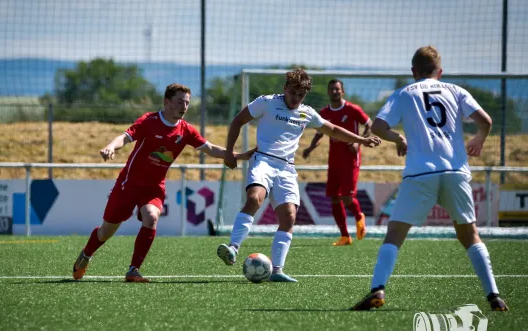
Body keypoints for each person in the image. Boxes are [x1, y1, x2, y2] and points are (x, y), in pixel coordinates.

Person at [351, 46, 508, 311]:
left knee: (395, 234)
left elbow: (378, 126)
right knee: (470, 236)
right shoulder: (455, 91)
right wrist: (479, 139)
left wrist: (398, 138)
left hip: (420, 173)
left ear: (413, 71)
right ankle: (494, 296)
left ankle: (378, 289)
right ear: (440, 71)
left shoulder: (404, 94)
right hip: (455, 172)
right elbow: (486, 120)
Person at [72, 83, 255, 282]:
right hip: (129, 184)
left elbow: (210, 148)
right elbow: (125, 137)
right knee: (106, 232)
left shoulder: (186, 130)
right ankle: (86, 254)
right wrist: (111, 147)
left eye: (187, 103)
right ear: (167, 102)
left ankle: (133, 270)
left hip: (154, 187)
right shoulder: (149, 121)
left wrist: (243, 155)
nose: (184, 106)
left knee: (151, 217)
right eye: (179, 102)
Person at [217, 69, 381, 282]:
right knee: (254, 198)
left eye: (301, 95)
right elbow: (237, 121)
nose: (296, 98)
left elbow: (332, 129)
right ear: (285, 88)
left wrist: (362, 140)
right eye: (293, 92)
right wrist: (229, 153)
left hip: (286, 168)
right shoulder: (266, 102)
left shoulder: (307, 112)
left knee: (289, 216)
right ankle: (233, 248)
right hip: (263, 160)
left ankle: (276, 271)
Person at [302, 79, 372, 246]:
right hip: (334, 159)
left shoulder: (353, 109)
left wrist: (358, 142)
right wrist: (310, 148)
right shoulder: (324, 113)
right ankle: (345, 236)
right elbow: (319, 133)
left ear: (343, 92)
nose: (334, 92)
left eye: (337, 89)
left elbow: (369, 124)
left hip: (350, 158)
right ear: (328, 92)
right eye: (331, 89)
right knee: (334, 197)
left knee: (347, 197)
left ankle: (358, 216)